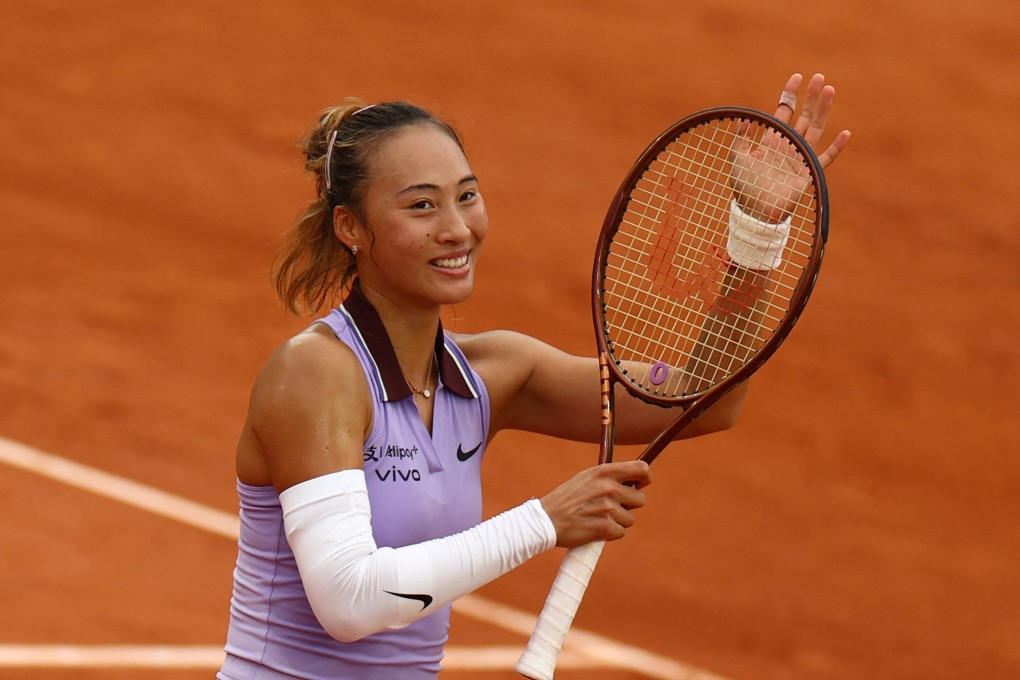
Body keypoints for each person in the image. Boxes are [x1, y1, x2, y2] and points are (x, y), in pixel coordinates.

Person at [218, 73, 850, 679]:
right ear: (350, 227)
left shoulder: (494, 374)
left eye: (466, 195)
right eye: (421, 206)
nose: (457, 228)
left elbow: (703, 399)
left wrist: (757, 233)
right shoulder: (314, 374)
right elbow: (349, 602)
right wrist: (545, 520)